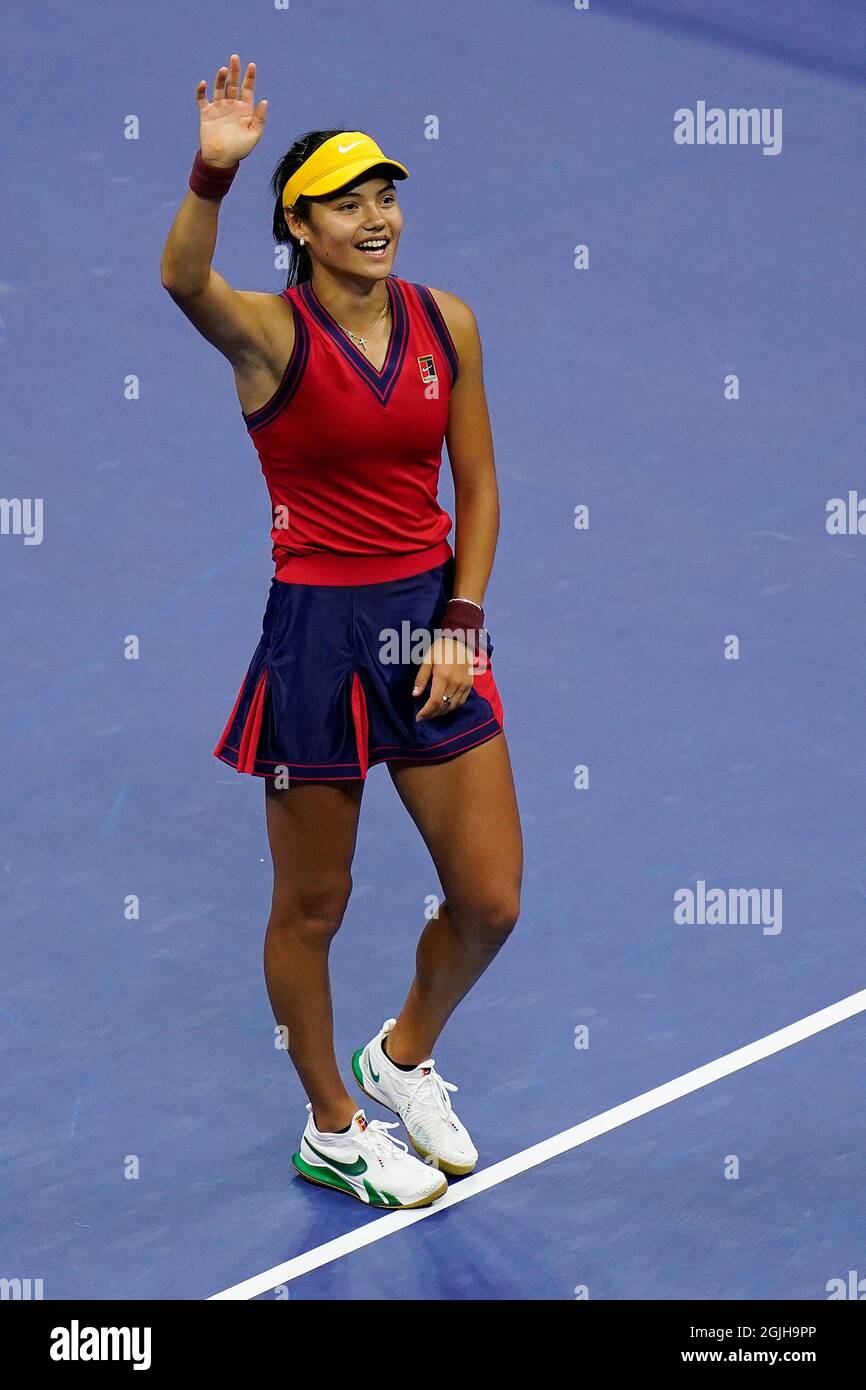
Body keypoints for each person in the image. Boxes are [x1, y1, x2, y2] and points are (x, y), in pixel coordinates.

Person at [161, 54, 523, 1210]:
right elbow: (181, 281)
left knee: (489, 900)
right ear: (300, 224)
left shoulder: (443, 321)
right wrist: (210, 173)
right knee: (312, 906)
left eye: (385, 196)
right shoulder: (267, 335)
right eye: (347, 202)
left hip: (428, 627)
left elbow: (476, 479)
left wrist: (461, 616)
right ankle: (330, 1119)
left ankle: (400, 1056)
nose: (376, 218)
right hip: (316, 633)